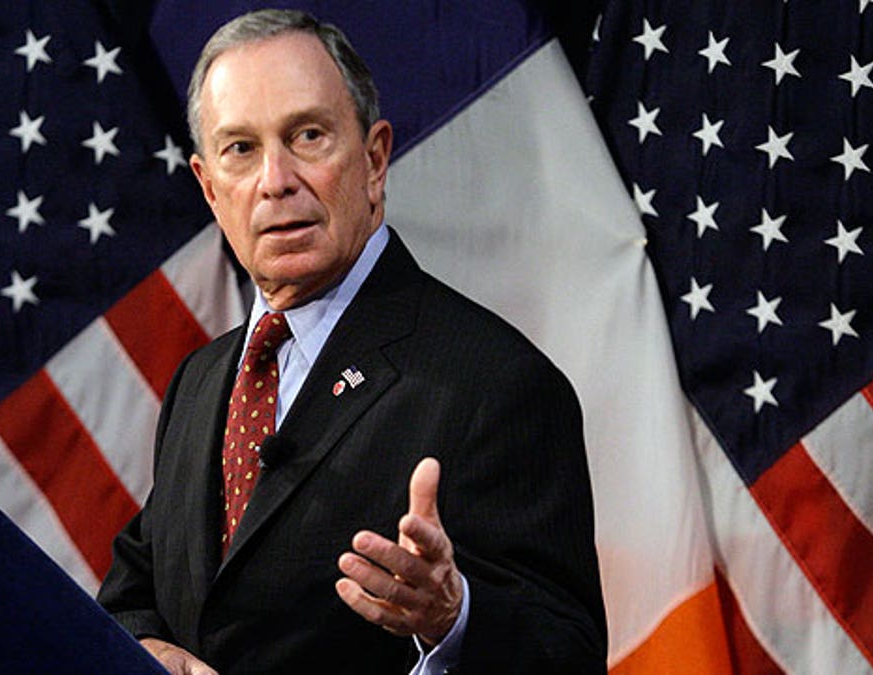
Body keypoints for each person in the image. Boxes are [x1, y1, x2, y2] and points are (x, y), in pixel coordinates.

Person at [97, 9, 607, 674]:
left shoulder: (495, 384)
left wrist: (453, 618)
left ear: (373, 159)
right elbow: (134, 593)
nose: (275, 180)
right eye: (241, 149)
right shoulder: (202, 379)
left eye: (308, 135)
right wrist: (150, 648)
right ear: (209, 186)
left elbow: (565, 655)